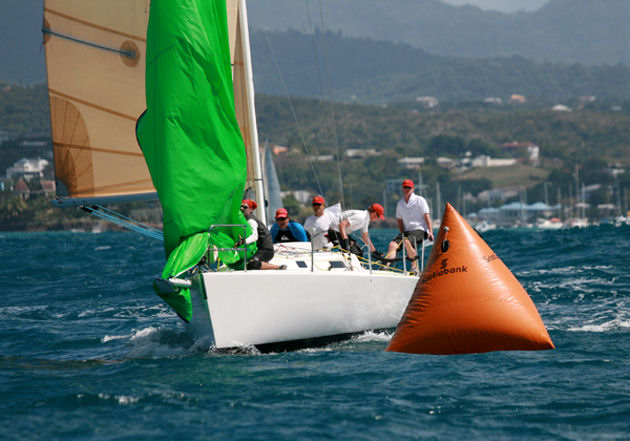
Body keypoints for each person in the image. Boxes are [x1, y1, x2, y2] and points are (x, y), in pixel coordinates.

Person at [386, 180, 434, 272]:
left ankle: (414, 267)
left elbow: (426, 216)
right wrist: (402, 233)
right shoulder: (400, 203)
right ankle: (386, 266)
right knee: (393, 244)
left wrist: (430, 232)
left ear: (413, 189)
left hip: (420, 229)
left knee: (407, 242)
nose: (406, 189)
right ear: (402, 189)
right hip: (407, 232)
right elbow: (399, 220)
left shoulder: (420, 200)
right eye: (405, 187)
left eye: (409, 187)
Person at [240, 199, 285, 270]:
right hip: (260, 249)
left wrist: (243, 241)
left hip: (266, 250)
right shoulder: (245, 219)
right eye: (240, 207)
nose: (242, 208)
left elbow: (255, 236)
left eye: (245, 207)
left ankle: (278, 267)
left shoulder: (251, 220)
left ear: (250, 209)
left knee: (252, 264)